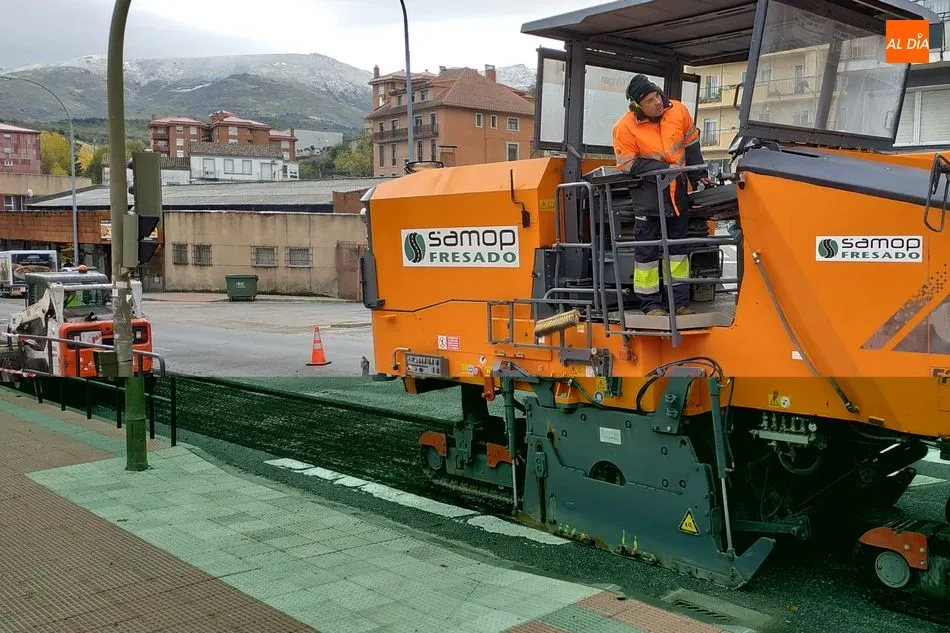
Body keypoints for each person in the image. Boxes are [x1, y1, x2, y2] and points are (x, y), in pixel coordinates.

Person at [612, 74, 714, 317]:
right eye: (649, 100)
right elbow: (627, 164)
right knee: (646, 255)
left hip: (677, 197)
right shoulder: (624, 128)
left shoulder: (679, 111)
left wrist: (699, 176)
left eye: (657, 95)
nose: (657, 102)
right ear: (638, 106)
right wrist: (663, 169)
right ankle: (651, 306)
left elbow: (692, 146)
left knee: (677, 253)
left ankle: (679, 304)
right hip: (648, 199)